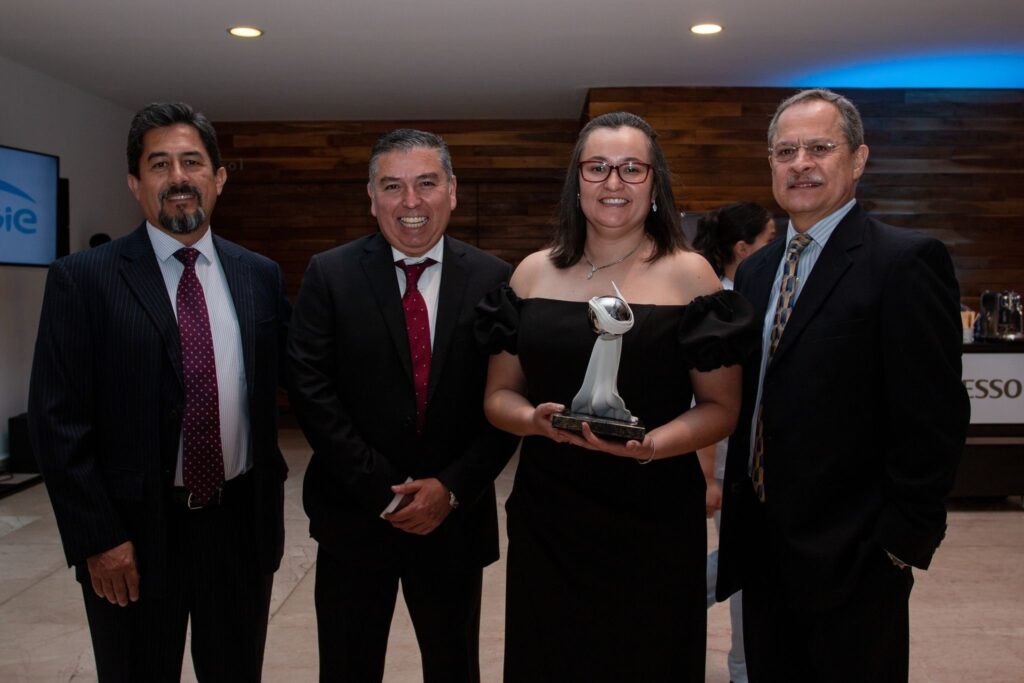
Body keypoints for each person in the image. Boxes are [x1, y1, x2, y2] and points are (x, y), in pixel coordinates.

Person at [477, 111, 757, 682]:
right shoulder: (530, 274)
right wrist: (532, 420)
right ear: (576, 182)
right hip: (550, 516)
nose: (613, 182)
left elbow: (721, 409)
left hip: (655, 515)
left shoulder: (691, 276)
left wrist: (651, 445)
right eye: (597, 167)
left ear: (655, 183)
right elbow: (498, 396)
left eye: (632, 168)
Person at [27, 102, 291, 682]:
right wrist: (100, 537)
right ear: (134, 182)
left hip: (239, 528)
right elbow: (56, 421)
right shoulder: (84, 279)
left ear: (218, 178)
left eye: (192, 162)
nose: (178, 177)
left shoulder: (259, 275)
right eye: (159, 164)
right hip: (134, 535)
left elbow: (300, 378)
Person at [716, 89, 969, 682]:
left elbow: (934, 415)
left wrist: (900, 544)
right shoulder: (756, 271)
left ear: (858, 159)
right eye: (786, 151)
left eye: (819, 148)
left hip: (856, 555)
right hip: (763, 545)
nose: (800, 163)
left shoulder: (905, 262)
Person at [287, 129, 518, 683]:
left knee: (454, 668)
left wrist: (451, 487)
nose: (410, 201)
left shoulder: (495, 279)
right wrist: (383, 490)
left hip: (453, 522)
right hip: (354, 515)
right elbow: (310, 389)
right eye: (392, 186)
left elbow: (509, 398)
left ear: (452, 191)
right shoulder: (330, 274)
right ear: (371, 197)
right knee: (347, 667)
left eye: (426, 183)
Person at [693, 201, 776, 683]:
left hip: (744, 462)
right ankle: (744, 668)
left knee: (746, 558)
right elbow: (705, 397)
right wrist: (708, 474)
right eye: (769, 239)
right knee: (744, 564)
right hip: (728, 462)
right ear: (743, 249)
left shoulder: (748, 294)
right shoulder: (723, 303)